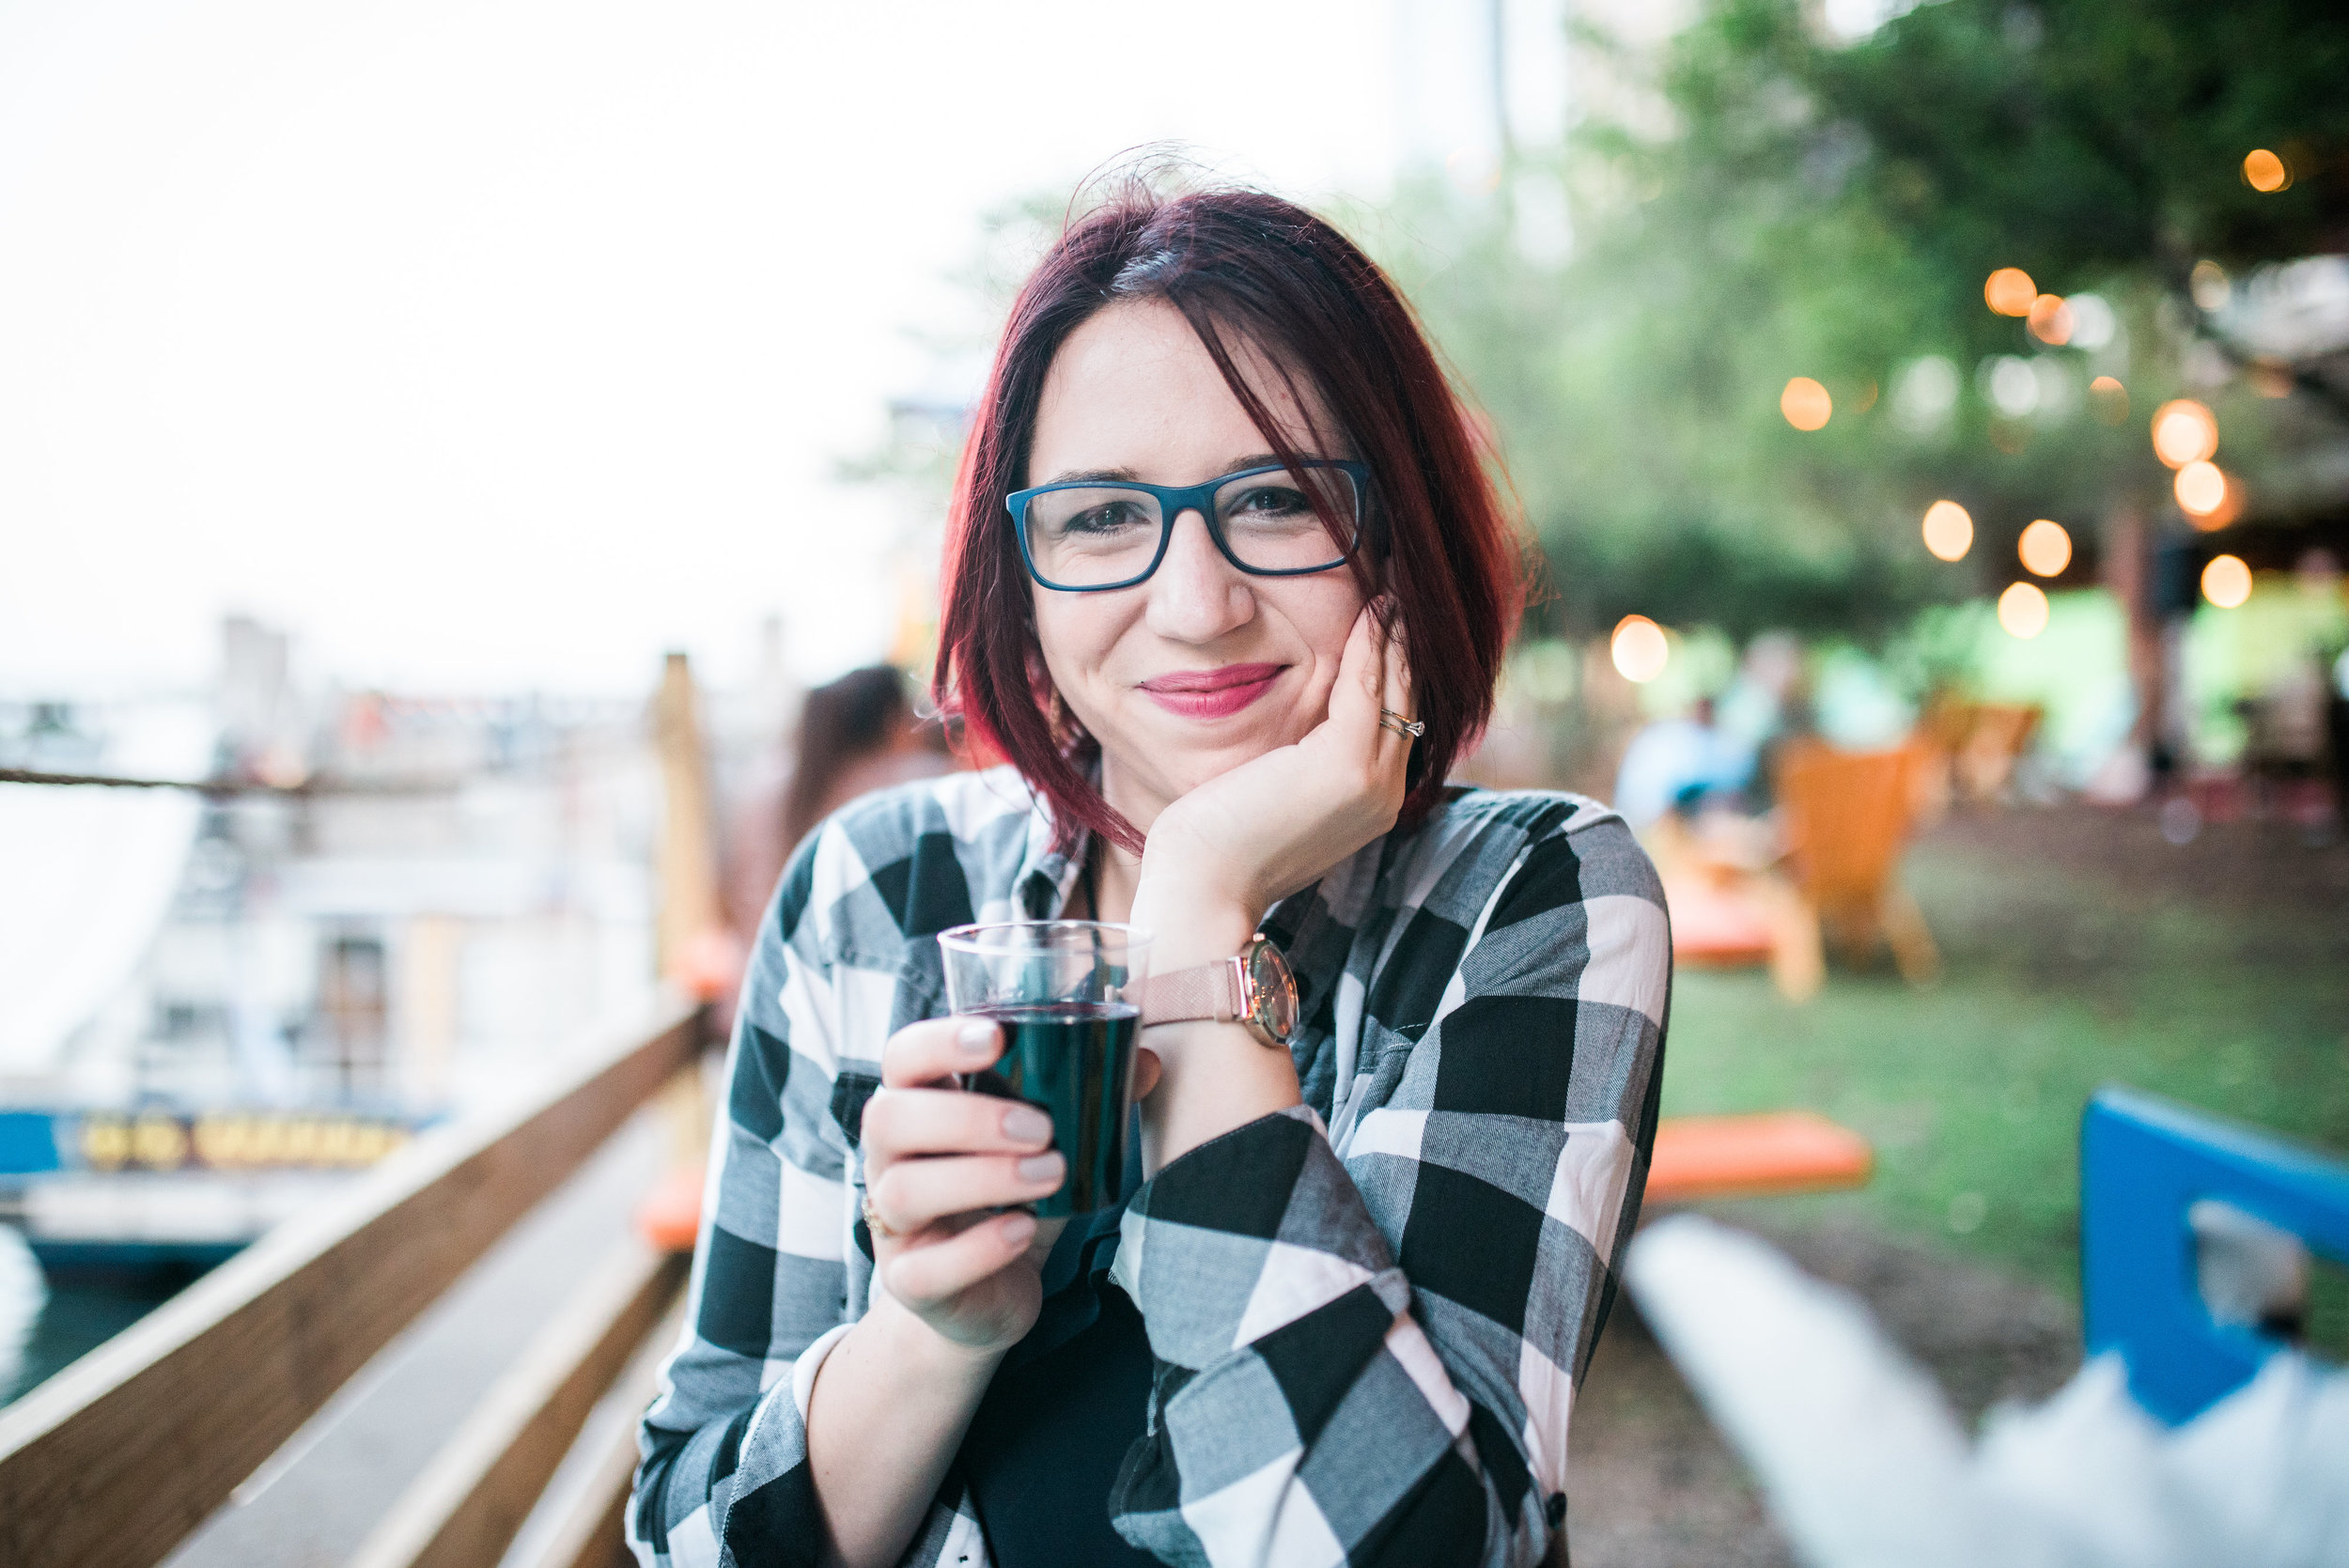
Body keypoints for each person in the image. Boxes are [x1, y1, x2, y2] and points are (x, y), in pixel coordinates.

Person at [630, 182, 1670, 1568]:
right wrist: (926, 1331)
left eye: (1281, 499)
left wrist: (1196, 907)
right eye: (1106, 517)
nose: (1196, 603)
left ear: (1401, 535)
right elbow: (692, 1537)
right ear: (1026, 569)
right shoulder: (879, 895)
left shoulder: (1526, 896)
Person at [779, 664, 957, 857]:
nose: (922, 720)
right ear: (892, 720)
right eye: (910, 709)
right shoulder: (928, 776)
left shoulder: (799, 786)